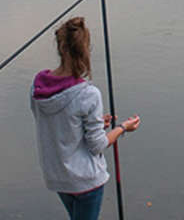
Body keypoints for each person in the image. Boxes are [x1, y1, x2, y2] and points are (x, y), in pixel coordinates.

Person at [31, 17, 141, 220]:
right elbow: (97, 145)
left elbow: (57, 124)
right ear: (85, 50)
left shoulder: (38, 88)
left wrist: (97, 123)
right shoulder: (88, 94)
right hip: (86, 181)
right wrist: (123, 128)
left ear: (59, 47)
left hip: (59, 179)